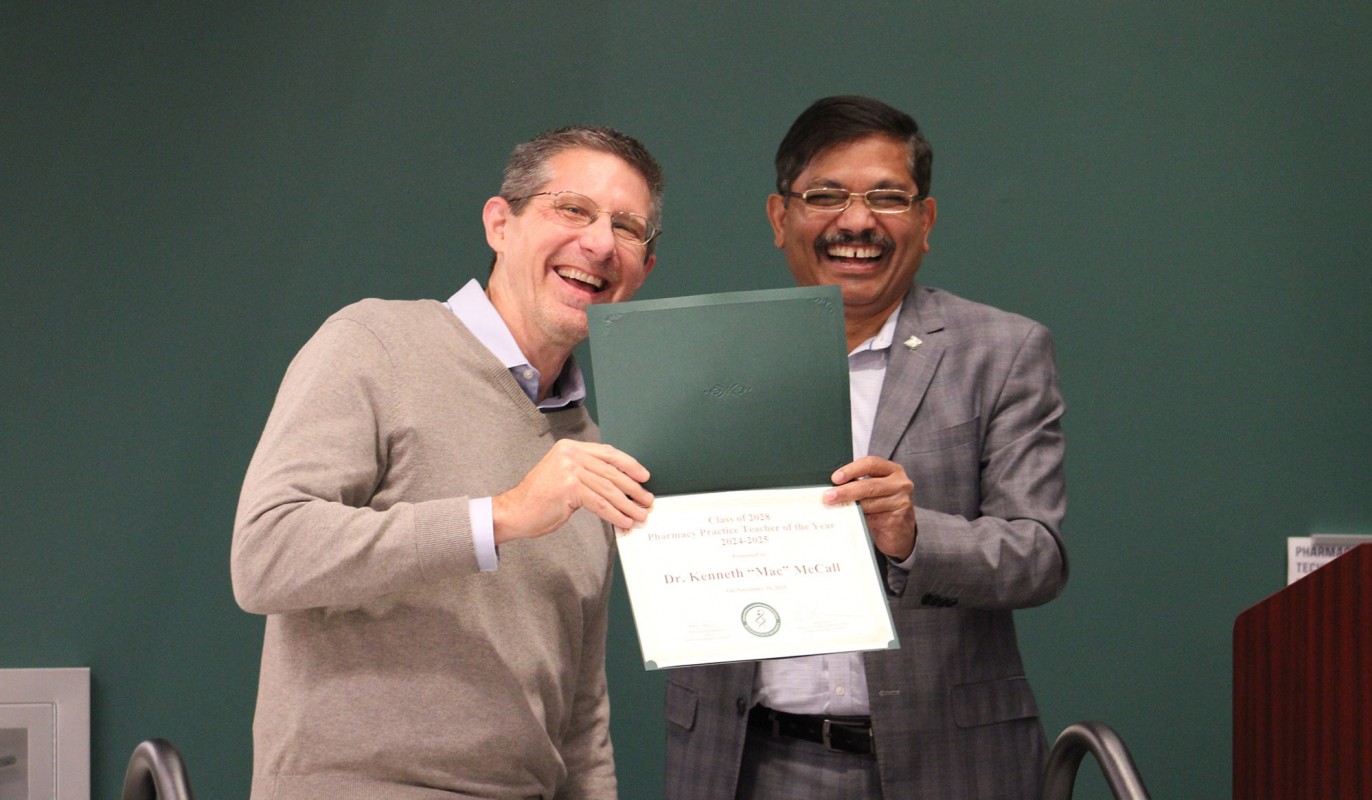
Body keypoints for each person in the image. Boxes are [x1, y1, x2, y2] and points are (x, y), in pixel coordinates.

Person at [231, 125, 663, 799]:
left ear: (643, 269)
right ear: (500, 223)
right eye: (572, 209)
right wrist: (503, 516)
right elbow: (264, 560)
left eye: (627, 227)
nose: (601, 243)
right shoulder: (373, 343)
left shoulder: (590, 451)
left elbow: (580, 714)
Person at [664, 96, 1068, 799]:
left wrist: (912, 536)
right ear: (778, 217)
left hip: (948, 766)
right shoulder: (703, 363)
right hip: (750, 763)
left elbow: (1037, 557)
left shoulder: (1001, 351)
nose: (856, 222)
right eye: (825, 196)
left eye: (887, 197)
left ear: (926, 221)